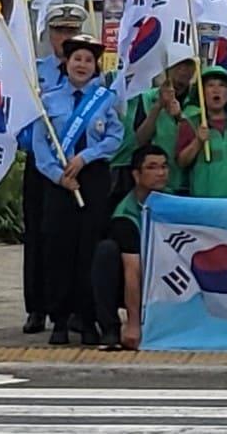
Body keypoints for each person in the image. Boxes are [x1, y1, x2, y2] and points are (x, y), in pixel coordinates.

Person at [34, 35, 122, 345]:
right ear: (66, 64)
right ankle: (59, 318)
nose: (82, 65)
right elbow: (40, 146)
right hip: (59, 185)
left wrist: (85, 158)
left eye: (88, 60)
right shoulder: (48, 100)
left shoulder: (104, 99)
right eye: (76, 59)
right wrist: (60, 177)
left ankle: (87, 318)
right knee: (58, 250)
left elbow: (114, 138)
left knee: (89, 251)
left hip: (92, 178)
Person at [20, 2, 85, 333]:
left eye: (72, 32)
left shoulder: (88, 70)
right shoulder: (36, 71)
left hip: (76, 166)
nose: (65, 38)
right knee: (38, 236)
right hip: (42, 163)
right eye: (60, 31)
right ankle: (37, 308)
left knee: (74, 237)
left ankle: (71, 307)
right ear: (49, 35)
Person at [92, 144, 168, 350]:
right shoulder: (125, 215)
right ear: (136, 174)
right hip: (137, 278)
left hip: (169, 279)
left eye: (163, 167)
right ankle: (110, 328)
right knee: (106, 251)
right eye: (152, 167)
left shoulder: (175, 201)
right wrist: (133, 325)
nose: (160, 173)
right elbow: (132, 270)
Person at [115, 57, 198, 199]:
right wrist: (158, 106)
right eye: (178, 63)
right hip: (152, 186)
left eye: (188, 64)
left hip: (189, 184)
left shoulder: (199, 100)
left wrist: (180, 117)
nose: (183, 70)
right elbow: (139, 140)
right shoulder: (145, 98)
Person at [175, 66, 227, 198]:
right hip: (205, 203)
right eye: (210, 85)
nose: (216, 90)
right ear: (202, 93)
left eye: (222, 85)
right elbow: (181, 162)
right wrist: (197, 142)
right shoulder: (190, 123)